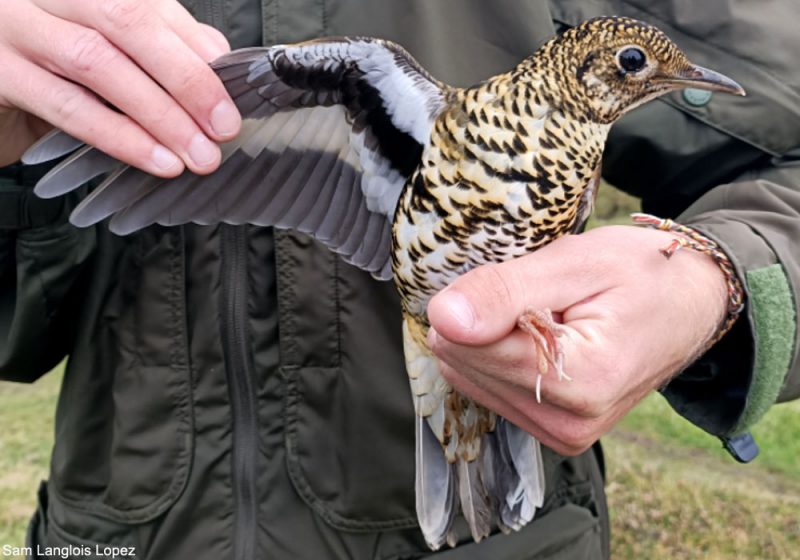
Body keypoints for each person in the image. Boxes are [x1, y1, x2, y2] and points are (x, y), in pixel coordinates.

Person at [1, 1, 798, 558]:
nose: (654, 73)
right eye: (634, 64)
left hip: (513, 541)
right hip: (115, 535)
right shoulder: (388, 95)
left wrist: (717, 277)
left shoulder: (574, 157)